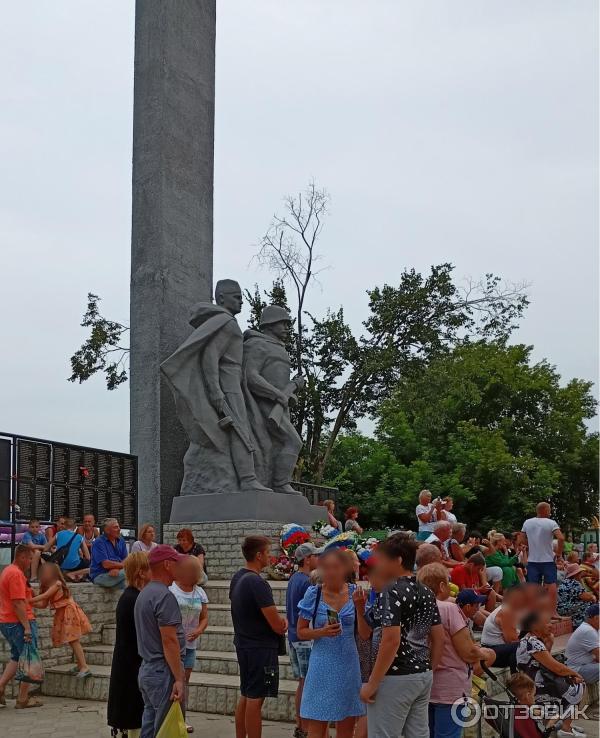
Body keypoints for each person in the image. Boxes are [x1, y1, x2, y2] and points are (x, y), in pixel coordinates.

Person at [356, 535, 443, 738]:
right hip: (422, 674)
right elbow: (439, 638)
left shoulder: (391, 591)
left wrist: (373, 683)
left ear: (398, 560)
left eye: (382, 559)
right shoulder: (426, 592)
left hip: (395, 676)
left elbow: (391, 640)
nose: (379, 565)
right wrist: (430, 669)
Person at [417, 563, 495, 738]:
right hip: (450, 686)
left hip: (424, 684)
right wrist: (485, 653)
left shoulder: (416, 608)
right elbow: (467, 652)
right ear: (442, 586)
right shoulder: (448, 608)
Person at [296, 548, 365, 738]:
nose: (331, 572)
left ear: (346, 569)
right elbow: (300, 631)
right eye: (326, 568)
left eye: (336, 567)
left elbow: (365, 633)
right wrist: (321, 632)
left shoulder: (356, 593)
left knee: (347, 727)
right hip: (322, 665)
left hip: (349, 665)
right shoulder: (314, 594)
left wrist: (360, 609)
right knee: (317, 727)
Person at [230, 536, 287, 738]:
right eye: (268, 552)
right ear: (258, 555)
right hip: (260, 648)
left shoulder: (238, 577)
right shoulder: (257, 583)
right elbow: (276, 624)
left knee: (246, 694)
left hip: (244, 644)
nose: (271, 557)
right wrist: (283, 623)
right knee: (256, 698)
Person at [134, 544, 186, 738]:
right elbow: (169, 641)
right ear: (166, 564)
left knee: (149, 726)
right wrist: (179, 679)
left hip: (147, 669)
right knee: (166, 728)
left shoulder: (144, 594)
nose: (179, 566)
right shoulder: (164, 596)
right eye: (176, 562)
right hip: (162, 671)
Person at [516, 611, 585, 738]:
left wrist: (549, 643)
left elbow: (544, 663)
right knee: (578, 686)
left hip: (537, 680)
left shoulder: (531, 640)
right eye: (547, 623)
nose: (551, 625)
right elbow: (555, 667)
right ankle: (565, 729)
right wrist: (574, 674)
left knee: (569, 681)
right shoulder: (532, 642)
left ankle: (562, 723)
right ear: (534, 626)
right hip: (536, 685)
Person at [107, 551, 151, 738]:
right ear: (141, 572)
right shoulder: (133, 599)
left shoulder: (132, 596)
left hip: (129, 662)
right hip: (131, 665)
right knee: (132, 715)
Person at [29, 563, 92, 677]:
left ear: (54, 573)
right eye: (42, 572)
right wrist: (32, 602)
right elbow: (43, 604)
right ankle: (80, 665)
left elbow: (44, 596)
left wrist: (29, 600)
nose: (43, 574)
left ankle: (84, 666)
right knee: (71, 640)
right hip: (61, 613)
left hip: (68, 611)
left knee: (73, 639)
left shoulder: (57, 584)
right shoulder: (45, 586)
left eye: (46, 572)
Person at [169, 555, 209, 734]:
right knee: (172, 682)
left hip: (190, 645)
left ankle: (181, 720)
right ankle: (168, 719)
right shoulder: (171, 590)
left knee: (184, 683)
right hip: (173, 644)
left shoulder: (200, 592)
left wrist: (199, 630)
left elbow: (204, 617)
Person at [285, 542, 321, 738]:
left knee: (302, 682)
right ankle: (307, 728)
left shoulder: (293, 579)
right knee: (308, 683)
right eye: (316, 555)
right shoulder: (307, 582)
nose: (319, 559)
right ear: (307, 559)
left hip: (293, 637)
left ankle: (301, 725)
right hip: (304, 638)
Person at [0, 545, 42, 708]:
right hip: (18, 622)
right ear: (22, 557)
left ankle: (1, 686)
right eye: (30, 558)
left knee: (17, 656)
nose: (32, 562)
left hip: (6, 621)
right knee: (29, 658)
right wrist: (26, 627)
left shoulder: (8, 571)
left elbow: (24, 599)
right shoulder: (16, 574)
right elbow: (18, 603)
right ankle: (23, 698)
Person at [520, 502, 564, 616]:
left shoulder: (527, 522)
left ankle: (533, 612)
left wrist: (530, 545)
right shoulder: (551, 523)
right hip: (548, 559)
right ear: (545, 510)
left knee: (532, 587)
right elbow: (561, 538)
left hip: (533, 560)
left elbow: (521, 539)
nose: (550, 512)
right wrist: (558, 553)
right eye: (549, 510)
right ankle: (553, 612)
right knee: (551, 585)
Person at [481, 585, 527, 671]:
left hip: (504, 648)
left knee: (542, 640)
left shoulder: (518, 610)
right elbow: (511, 640)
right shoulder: (506, 612)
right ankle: (516, 678)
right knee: (522, 646)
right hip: (492, 652)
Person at [44, 516, 90, 582]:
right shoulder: (79, 537)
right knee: (90, 565)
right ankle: (75, 574)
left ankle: (69, 574)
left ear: (64, 526)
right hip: (75, 565)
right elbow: (88, 557)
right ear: (75, 527)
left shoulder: (58, 534)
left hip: (59, 563)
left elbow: (45, 548)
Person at [565, 604, 599, 688]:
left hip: (586, 665)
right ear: (596, 618)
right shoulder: (588, 630)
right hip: (577, 669)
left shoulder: (592, 628)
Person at [505, 672, 546, 738]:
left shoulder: (513, 709)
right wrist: (550, 726)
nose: (534, 698)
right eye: (534, 695)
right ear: (528, 695)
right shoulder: (526, 720)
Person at [90, 518, 128, 589]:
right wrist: (122, 566)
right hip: (101, 576)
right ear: (107, 530)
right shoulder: (99, 542)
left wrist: (118, 568)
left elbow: (126, 559)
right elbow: (106, 564)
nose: (119, 529)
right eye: (116, 527)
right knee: (131, 571)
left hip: (117, 574)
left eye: (119, 526)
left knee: (129, 584)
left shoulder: (121, 541)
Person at [557, 564, 596, 628]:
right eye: (580, 573)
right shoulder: (575, 583)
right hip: (568, 608)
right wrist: (593, 597)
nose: (581, 574)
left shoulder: (564, 582)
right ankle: (580, 623)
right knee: (589, 603)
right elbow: (587, 597)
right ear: (577, 574)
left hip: (561, 608)